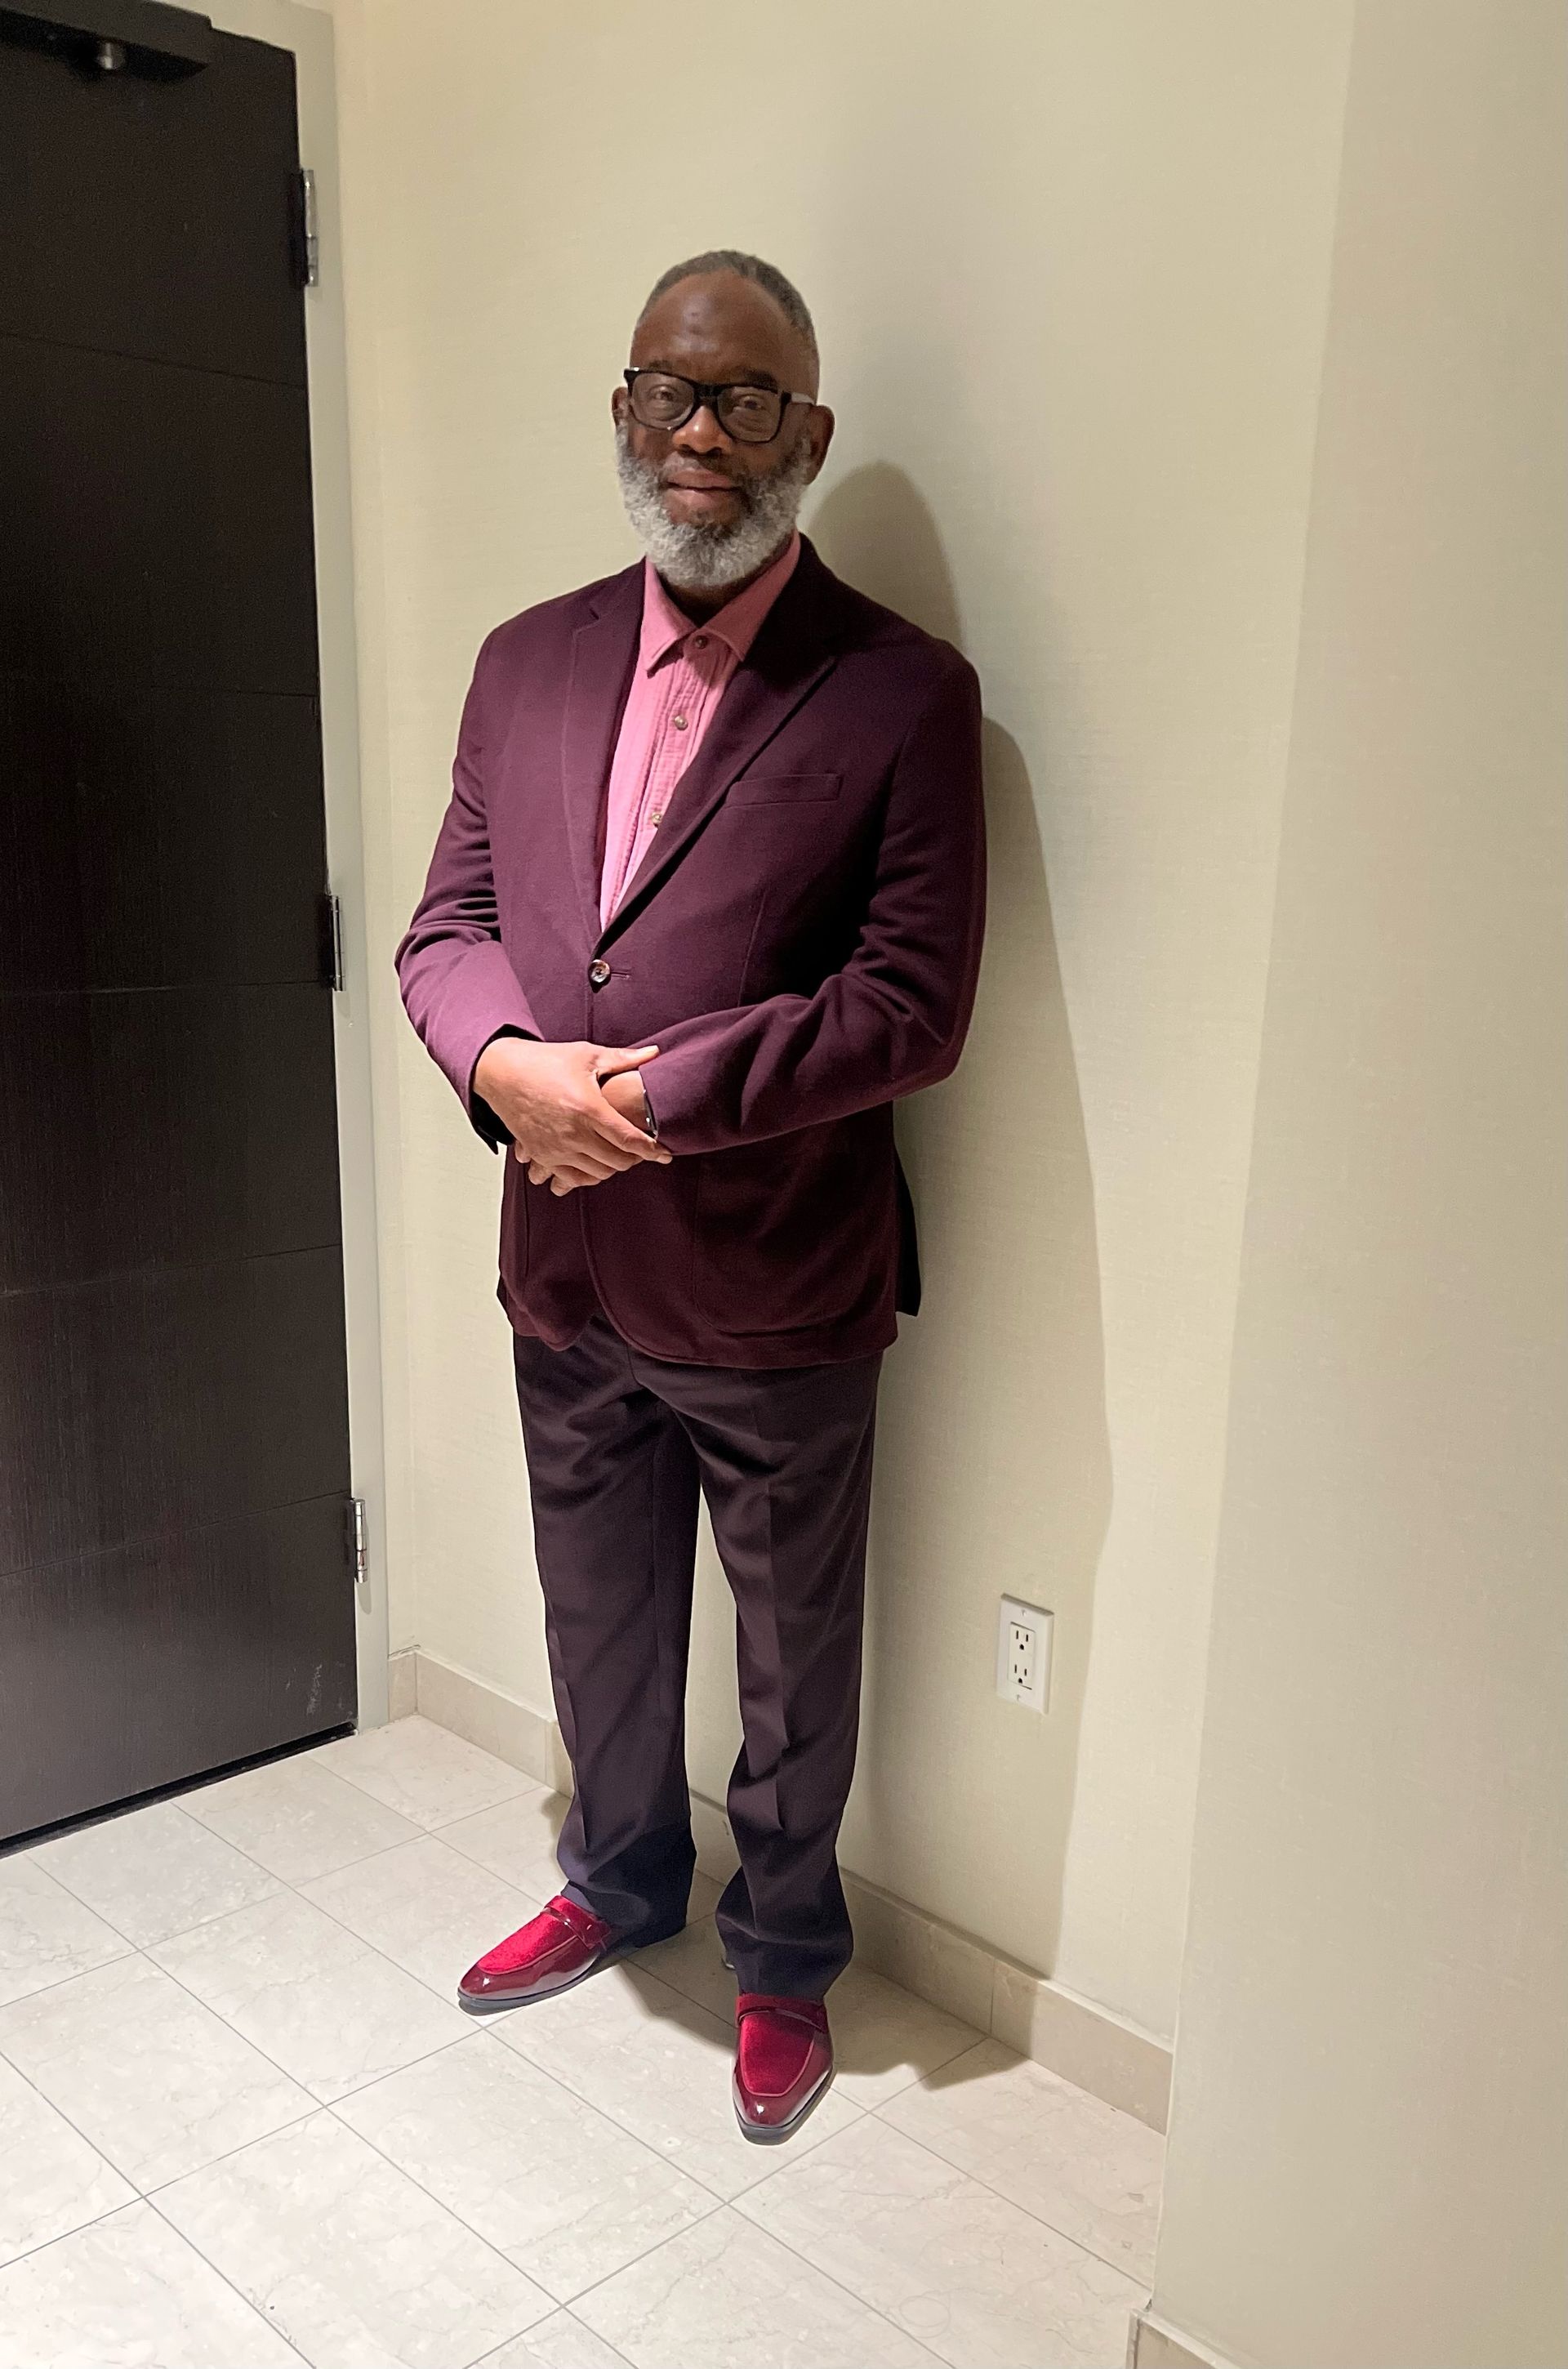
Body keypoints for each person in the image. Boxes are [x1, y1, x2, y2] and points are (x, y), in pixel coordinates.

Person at [396, 248, 986, 2142]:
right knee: (599, 1615)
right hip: (563, 1268)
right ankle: (622, 1873)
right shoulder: (526, 658)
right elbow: (451, 927)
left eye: (748, 400)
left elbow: (910, 1004)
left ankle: (787, 1954)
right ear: (624, 412)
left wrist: (638, 1094)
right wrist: (503, 1074)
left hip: (777, 1287)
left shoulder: (903, 692)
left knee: (799, 1659)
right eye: (672, 391)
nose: (704, 431)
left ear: (807, 433)